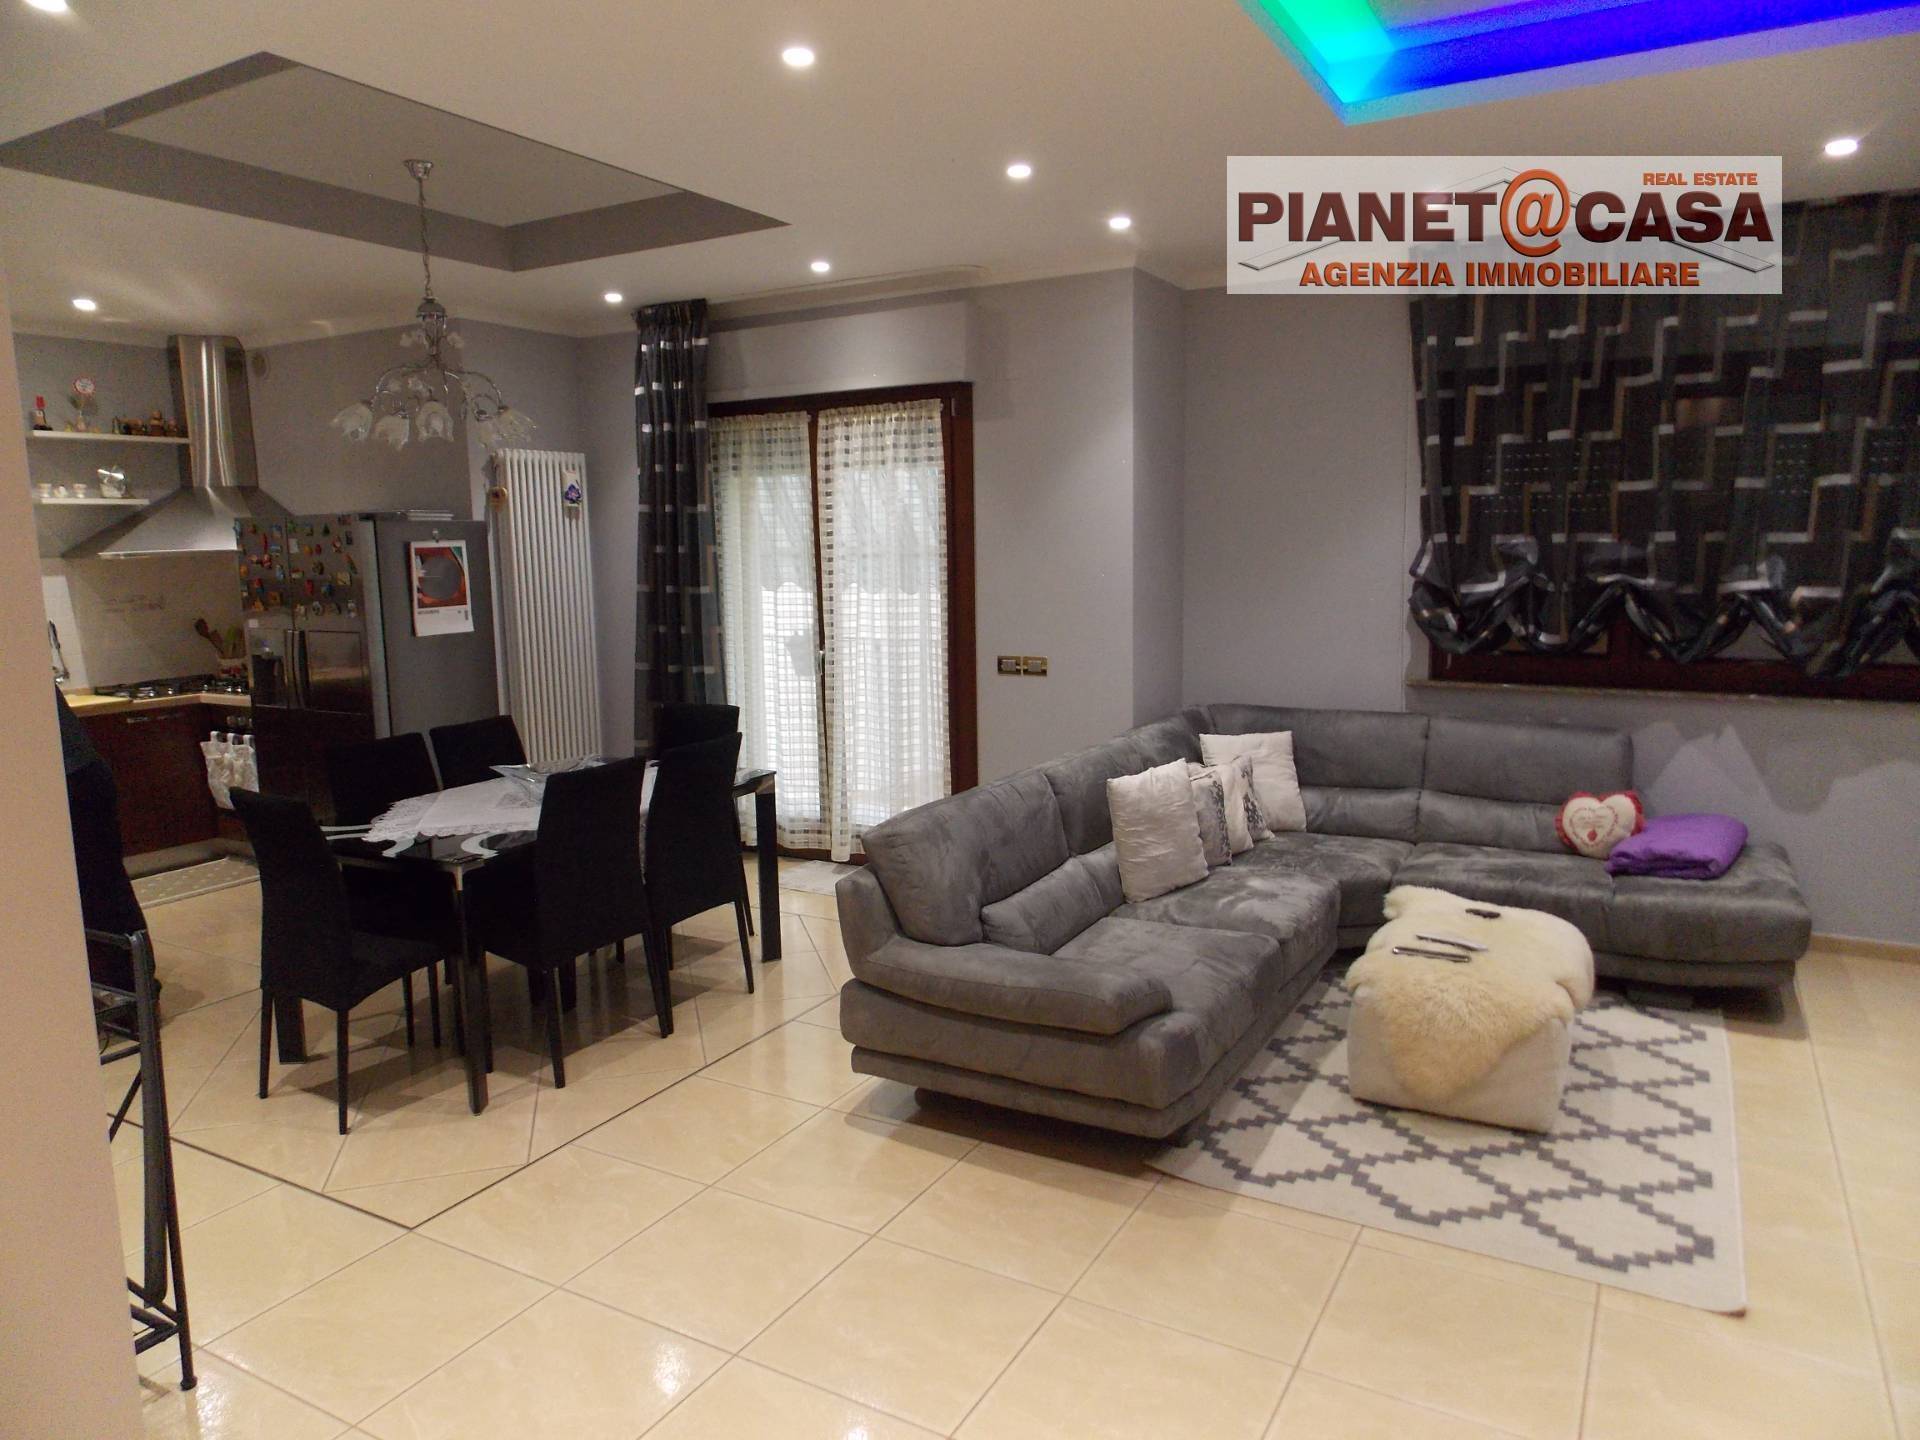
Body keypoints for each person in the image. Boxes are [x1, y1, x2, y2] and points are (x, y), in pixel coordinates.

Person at [57, 687, 148, 993]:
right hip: (75, 776)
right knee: (101, 890)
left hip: (74, 780)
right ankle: (129, 992)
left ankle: (135, 994)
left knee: (101, 892)